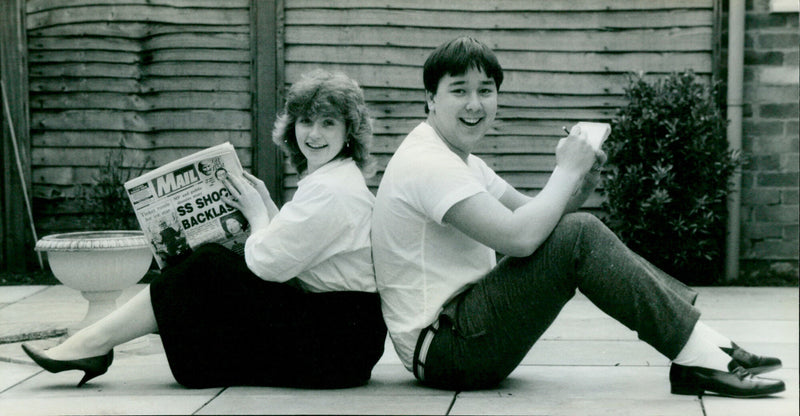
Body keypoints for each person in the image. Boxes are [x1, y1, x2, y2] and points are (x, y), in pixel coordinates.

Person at [371, 36, 784, 397]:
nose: (475, 105)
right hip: (446, 350)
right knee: (579, 234)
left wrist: (578, 185)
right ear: (430, 99)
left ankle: (703, 344)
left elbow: (528, 214)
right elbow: (520, 239)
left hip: (458, 333)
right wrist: (564, 170)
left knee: (576, 230)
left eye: (486, 90)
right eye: (459, 91)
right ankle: (701, 353)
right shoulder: (428, 163)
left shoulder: (456, 158)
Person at [22, 70, 386, 389]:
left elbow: (268, 265)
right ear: (293, 127)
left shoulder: (332, 189)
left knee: (209, 265)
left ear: (349, 133)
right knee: (205, 267)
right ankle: (93, 345)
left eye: (328, 123)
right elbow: (300, 251)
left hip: (336, 345)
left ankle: (91, 345)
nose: (314, 133)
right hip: (343, 338)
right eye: (306, 121)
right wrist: (268, 206)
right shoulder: (334, 180)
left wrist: (259, 214)